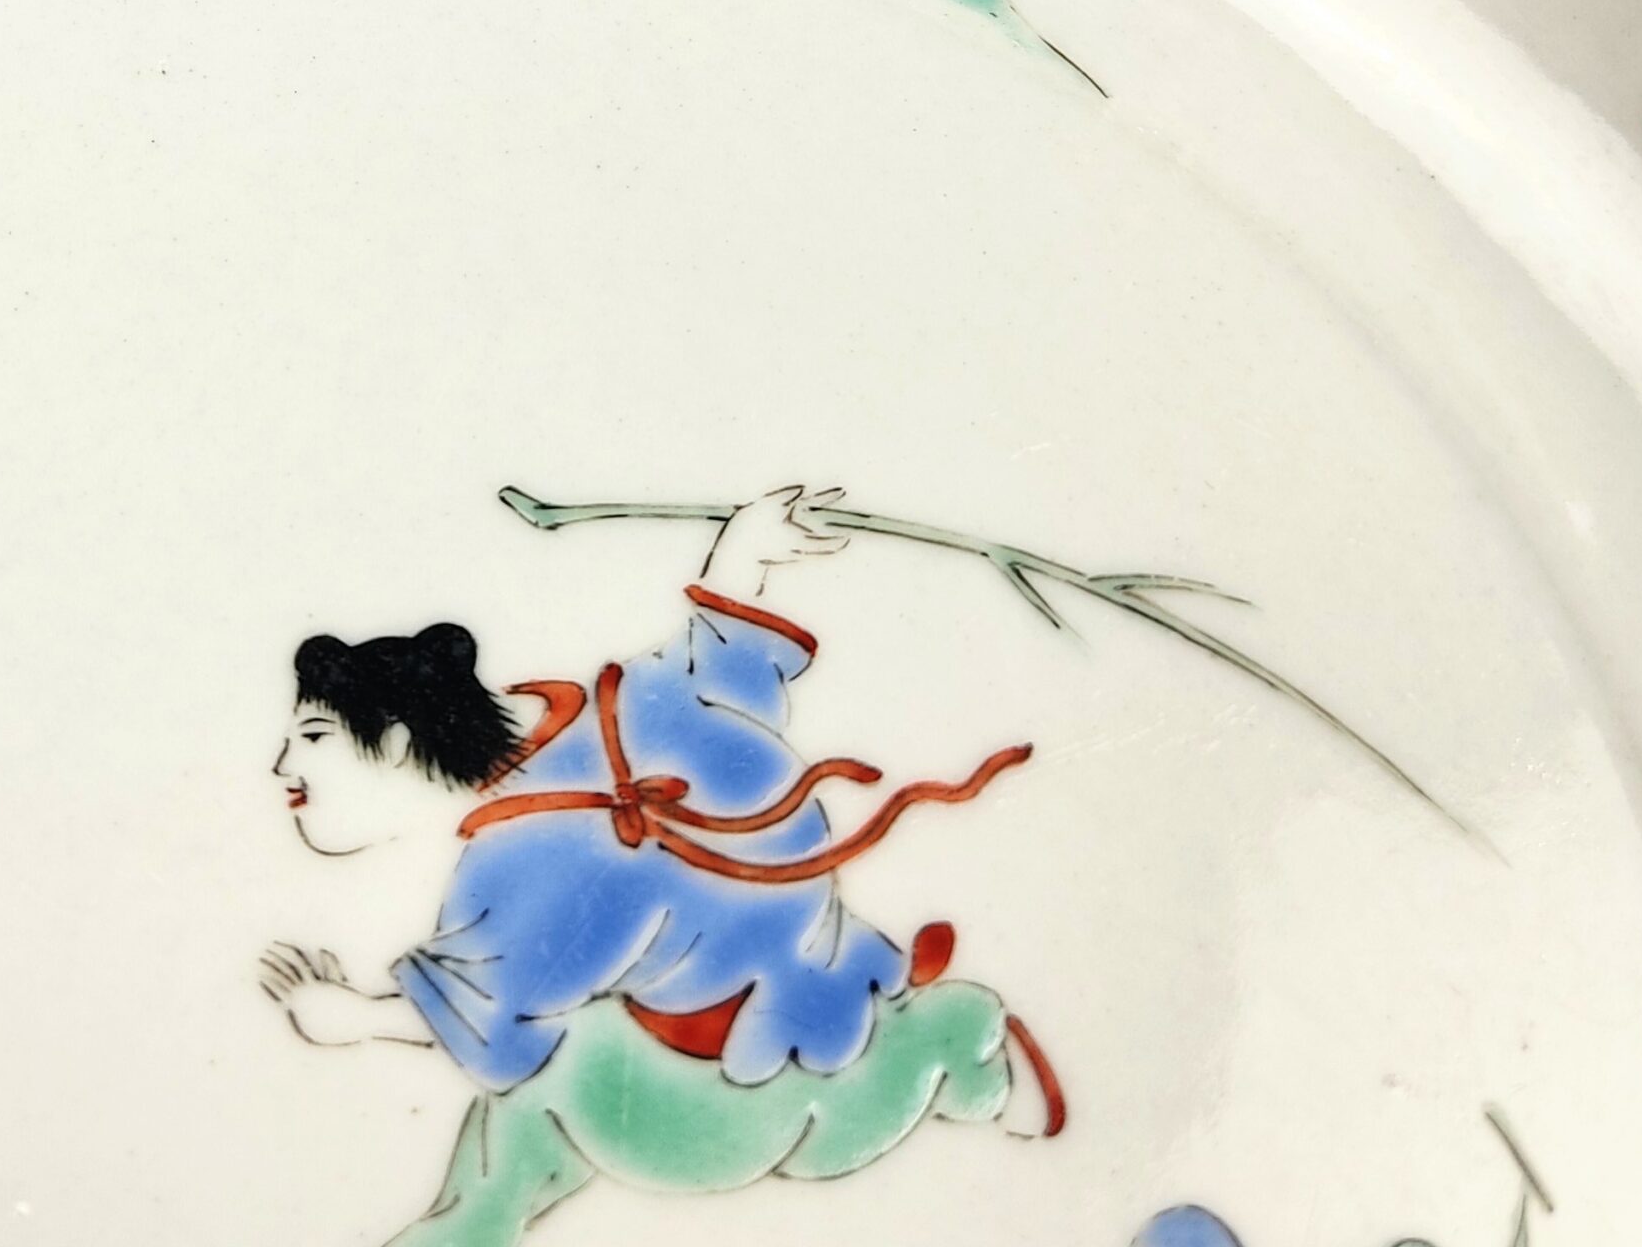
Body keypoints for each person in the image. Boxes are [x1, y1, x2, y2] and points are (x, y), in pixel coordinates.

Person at [260, 485, 1065, 1245]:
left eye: (314, 737)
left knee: (540, 1094)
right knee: (540, 1096)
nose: (284, 766)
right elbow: (713, 666)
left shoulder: (524, 863)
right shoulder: (611, 711)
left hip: (731, 1089)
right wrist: (738, 559)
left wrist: (347, 1017)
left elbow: (488, 1012)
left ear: (396, 741)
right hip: (810, 974)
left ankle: (949, 1039)